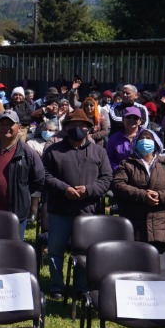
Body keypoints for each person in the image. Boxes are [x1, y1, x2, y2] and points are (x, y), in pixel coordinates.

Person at [40, 109, 113, 297]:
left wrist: (88, 190)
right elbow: (45, 176)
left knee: (84, 251)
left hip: (87, 211)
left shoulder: (99, 152)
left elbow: (107, 178)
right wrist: (65, 189)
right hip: (59, 210)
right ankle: (56, 285)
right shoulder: (53, 151)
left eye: (81, 125)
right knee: (56, 249)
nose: (77, 129)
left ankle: (81, 287)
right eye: (72, 125)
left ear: (89, 128)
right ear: (65, 128)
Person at [111, 128, 165, 276]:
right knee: (136, 270)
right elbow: (118, 185)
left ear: (156, 143)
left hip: (162, 226)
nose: (145, 141)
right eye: (141, 138)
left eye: (149, 138)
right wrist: (143, 195)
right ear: (136, 143)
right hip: (135, 224)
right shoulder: (127, 164)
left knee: (160, 271)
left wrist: (159, 196)